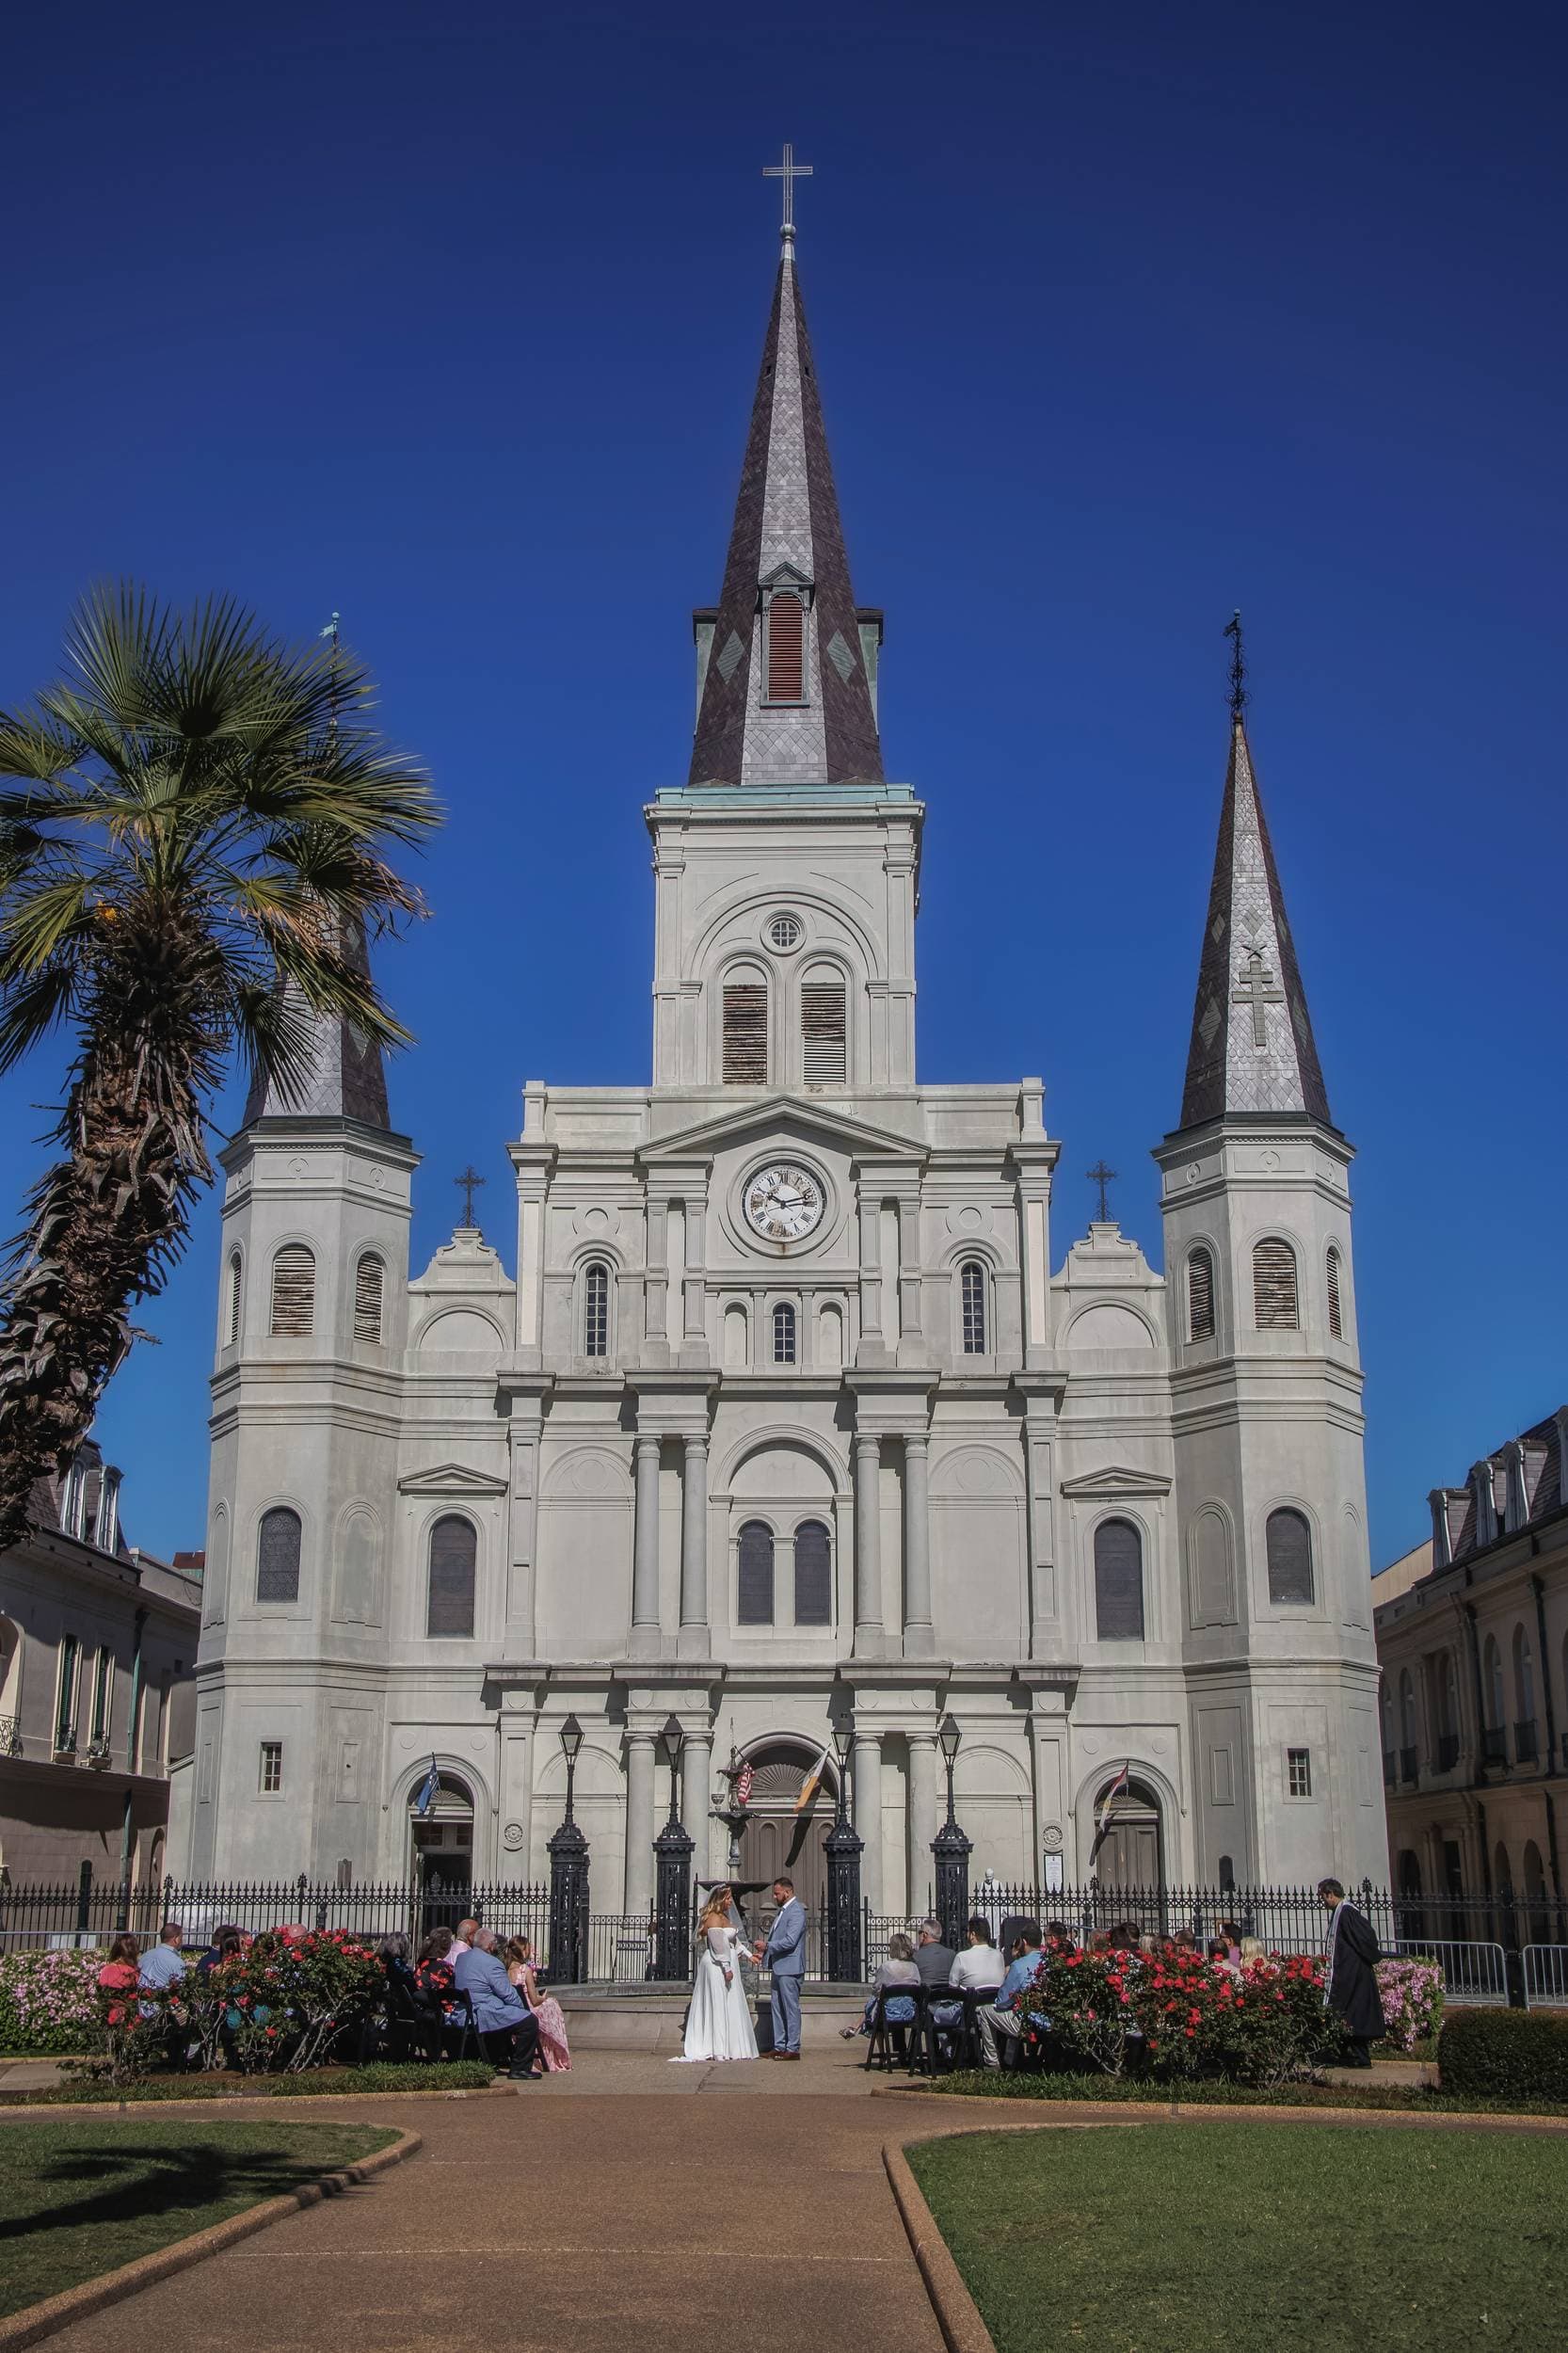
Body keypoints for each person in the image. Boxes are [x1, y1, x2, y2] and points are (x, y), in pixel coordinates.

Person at [678, 1888, 759, 2062]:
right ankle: (717, 2047)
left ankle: (730, 2046)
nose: (731, 1902)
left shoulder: (725, 1917)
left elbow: (733, 1942)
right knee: (718, 2001)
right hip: (716, 1965)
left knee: (729, 2002)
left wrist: (749, 1955)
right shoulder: (713, 1918)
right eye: (728, 1898)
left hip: (726, 1962)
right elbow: (718, 1945)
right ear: (720, 1899)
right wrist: (726, 1967)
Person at [455, 1927, 539, 2079]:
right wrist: (522, 2009)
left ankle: (494, 2059)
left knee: (504, 2020)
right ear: (490, 1946)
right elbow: (507, 1993)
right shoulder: (492, 1963)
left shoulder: (462, 1958)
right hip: (482, 2013)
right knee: (530, 2022)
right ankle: (520, 2068)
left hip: (463, 2012)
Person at [1320, 1878, 1385, 2066]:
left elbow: (1367, 1940)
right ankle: (1342, 2054)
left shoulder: (1347, 1913)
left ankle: (1360, 2058)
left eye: (1323, 1897)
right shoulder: (1341, 1913)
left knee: (1351, 2015)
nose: (1323, 1901)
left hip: (1354, 1976)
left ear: (1331, 1895)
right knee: (1344, 2015)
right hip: (1347, 1975)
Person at [977, 1919, 1046, 2070]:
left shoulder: (1019, 1965)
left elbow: (1002, 2001)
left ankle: (992, 2062)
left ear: (1024, 1942)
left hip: (1027, 2021)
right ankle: (1011, 2059)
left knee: (986, 2012)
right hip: (1046, 2019)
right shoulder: (1049, 1961)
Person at [756, 1875, 807, 2059]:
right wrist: (764, 1954)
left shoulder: (796, 1912)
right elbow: (777, 1937)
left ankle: (793, 2047)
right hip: (779, 1966)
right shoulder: (782, 1911)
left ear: (788, 1891)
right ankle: (779, 2044)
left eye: (777, 1894)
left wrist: (768, 1946)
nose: (775, 1897)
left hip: (790, 1968)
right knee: (777, 2007)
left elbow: (791, 1941)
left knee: (790, 2008)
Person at [842, 1931, 921, 2047]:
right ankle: (855, 2026)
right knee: (879, 2001)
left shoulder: (887, 1967)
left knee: (876, 2000)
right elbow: (918, 1986)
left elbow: (876, 1988)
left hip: (889, 2013)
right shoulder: (914, 1967)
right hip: (908, 2011)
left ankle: (879, 2052)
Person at [504, 1937, 571, 2072]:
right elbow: (534, 2001)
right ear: (523, 1951)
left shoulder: (505, 1970)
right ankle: (554, 2054)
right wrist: (544, 1998)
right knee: (552, 2004)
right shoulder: (525, 1970)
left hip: (513, 2009)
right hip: (528, 2010)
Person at [949, 1914, 1005, 1993]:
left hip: (970, 2004)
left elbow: (952, 1987)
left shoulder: (961, 1957)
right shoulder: (999, 1956)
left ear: (972, 1935)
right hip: (994, 2003)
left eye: (968, 1931)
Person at [138, 1921, 186, 1992]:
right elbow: (181, 1989)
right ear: (176, 1939)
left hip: (139, 1999)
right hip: (163, 2000)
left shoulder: (145, 1956)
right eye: (181, 1938)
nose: (182, 1941)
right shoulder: (178, 1962)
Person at [913, 1916, 956, 1989]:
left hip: (926, 1997)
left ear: (925, 1934)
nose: (919, 1935)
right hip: (947, 1995)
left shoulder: (916, 1956)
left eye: (920, 1932)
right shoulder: (952, 1954)